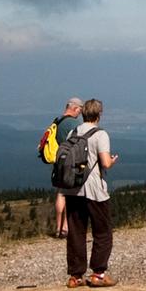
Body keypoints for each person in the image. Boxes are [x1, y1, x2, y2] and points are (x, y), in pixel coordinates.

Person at [61, 98, 117, 288]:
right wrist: (112, 160)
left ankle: (75, 276)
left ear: (84, 113)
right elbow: (105, 162)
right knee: (103, 231)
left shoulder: (73, 131)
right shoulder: (101, 135)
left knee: (76, 232)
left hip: (73, 188)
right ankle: (98, 274)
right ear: (98, 114)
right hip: (94, 189)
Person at [51, 96, 83, 238]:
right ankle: (66, 226)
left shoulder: (57, 121)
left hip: (58, 160)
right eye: (79, 111)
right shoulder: (73, 123)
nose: (79, 114)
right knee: (72, 193)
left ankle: (58, 227)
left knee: (60, 193)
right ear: (75, 108)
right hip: (71, 160)